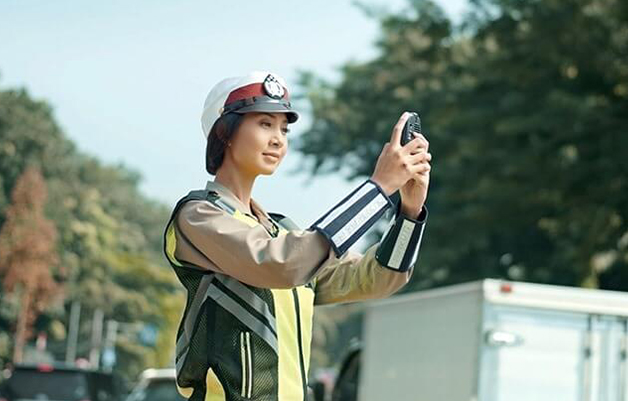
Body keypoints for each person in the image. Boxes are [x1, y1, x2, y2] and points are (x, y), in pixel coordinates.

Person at [163, 71, 431, 401]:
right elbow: (282, 263)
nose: (278, 139)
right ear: (225, 132)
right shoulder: (198, 216)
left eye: (284, 129)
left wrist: (409, 212)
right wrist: (378, 189)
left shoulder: (286, 232)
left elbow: (378, 278)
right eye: (265, 124)